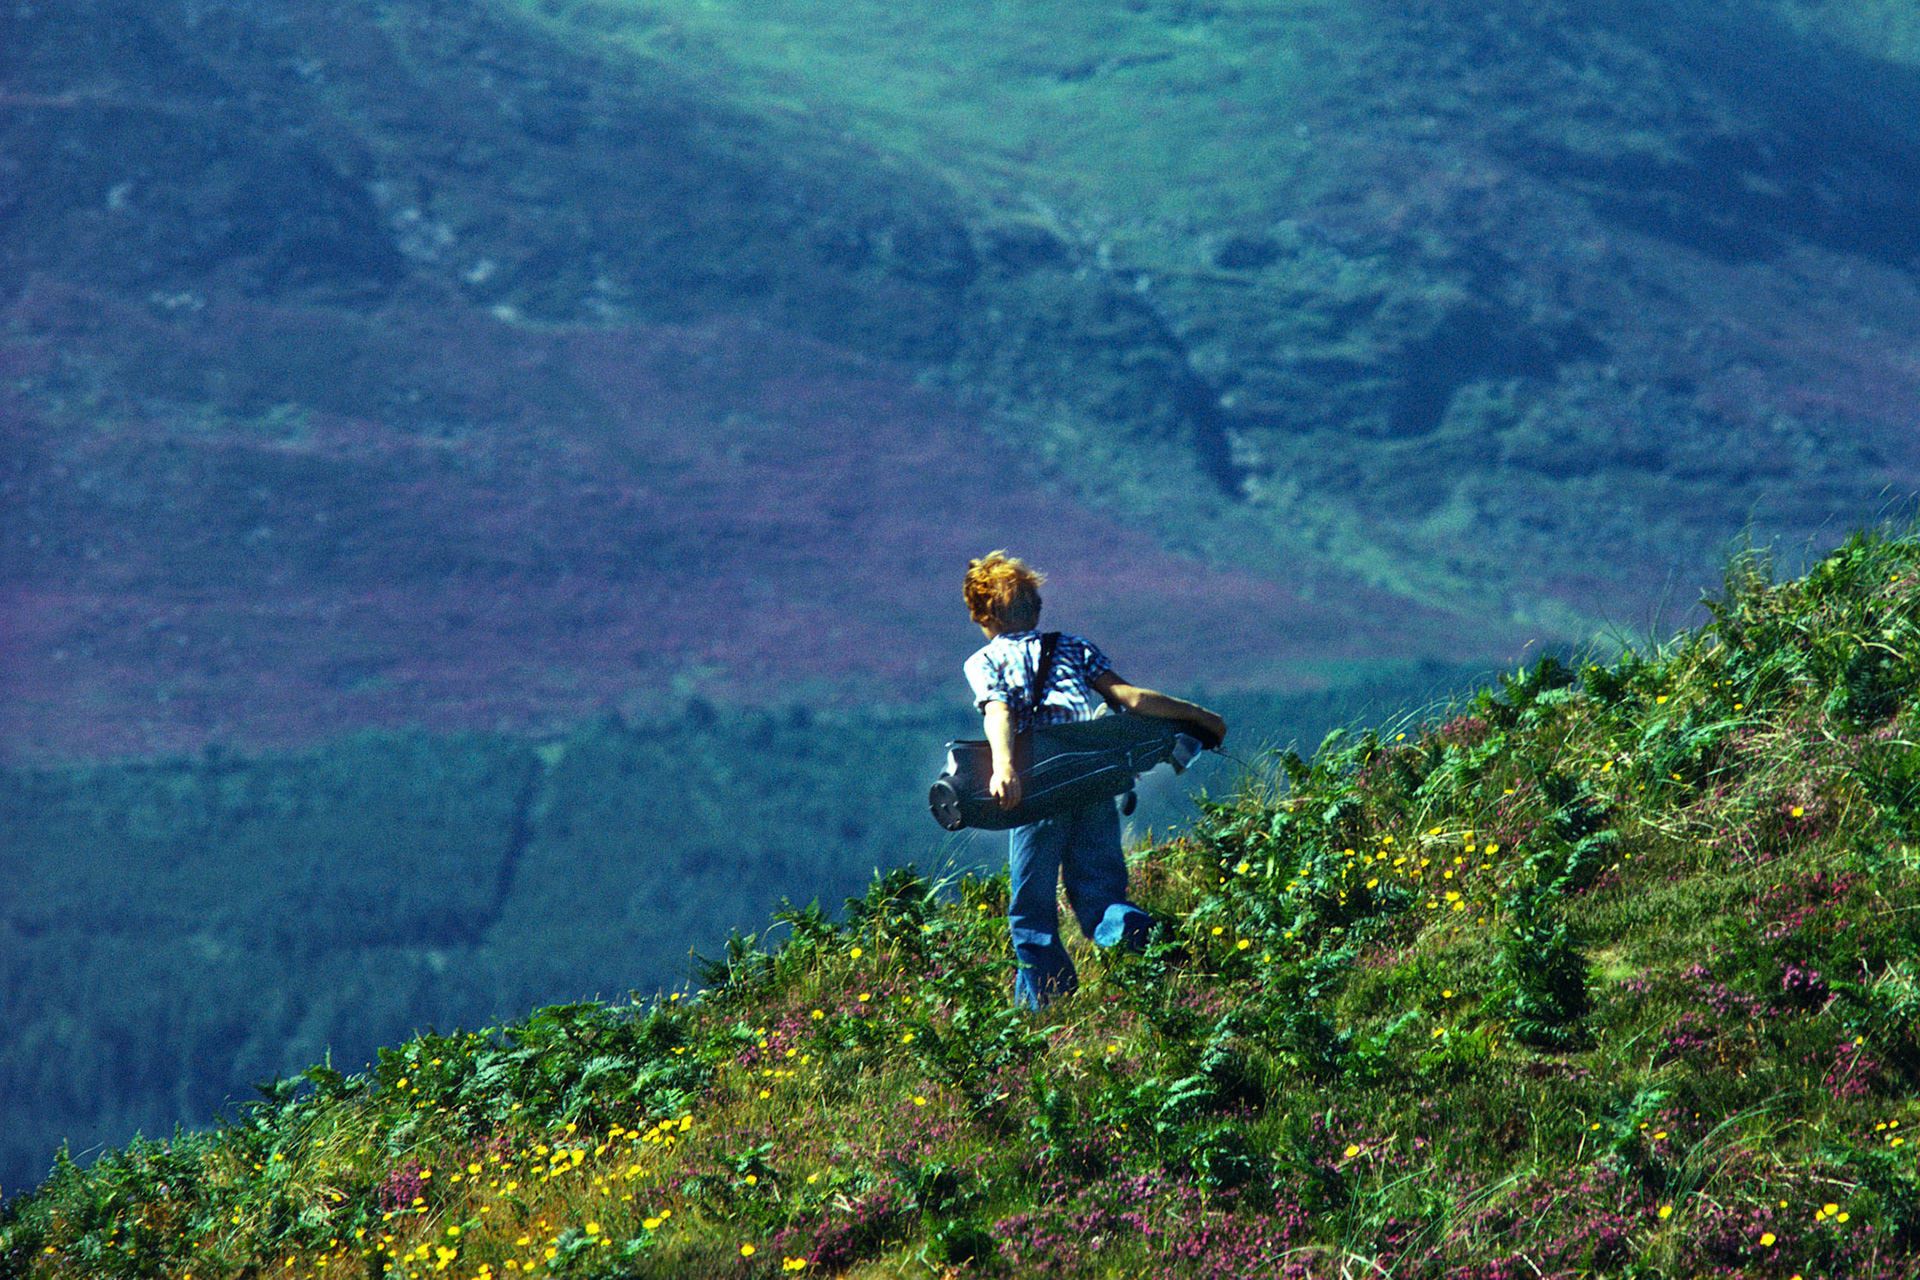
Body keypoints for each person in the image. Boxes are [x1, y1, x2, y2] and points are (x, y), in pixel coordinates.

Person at [962, 550, 1228, 1009]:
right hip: (1094, 779)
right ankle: (1145, 936)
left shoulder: (983, 661)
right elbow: (1130, 697)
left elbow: (1000, 711)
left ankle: (1048, 1010)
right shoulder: (1073, 646)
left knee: (1031, 912)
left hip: (1039, 788)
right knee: (1100, 896)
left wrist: (1004, 767)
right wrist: (1197, 715)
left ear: (983, 615)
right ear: (1036, 607)